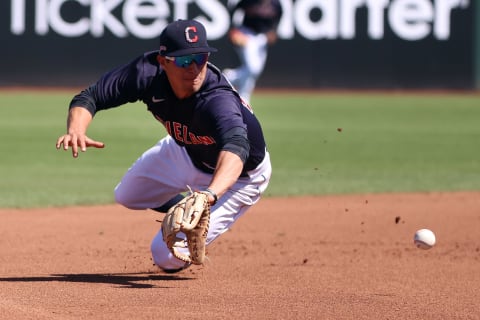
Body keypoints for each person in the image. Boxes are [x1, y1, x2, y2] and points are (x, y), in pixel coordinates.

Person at [55, 19, 272, 273]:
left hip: (239, 178)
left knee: (166, 256)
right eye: (183, 60)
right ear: (163, 60)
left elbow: (236, 147)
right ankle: (184, 207)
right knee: (127, 194)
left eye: (200, 58)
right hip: (185, 150)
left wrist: (210, 194)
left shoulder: (217, 100)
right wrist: (77, 129)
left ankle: (199, 213)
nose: (193, 68)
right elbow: (90, 96)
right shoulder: (146, 73)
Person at [223, 0, 283, 103]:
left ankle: (229, 77)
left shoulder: (275, 4)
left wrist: (274, 30)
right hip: (246, 34)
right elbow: (234, 10)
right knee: (252, 68)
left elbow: (279, 16)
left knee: (255, 70)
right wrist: (233, 29)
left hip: (263, 37)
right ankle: (244, 97)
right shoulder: (250, 1)